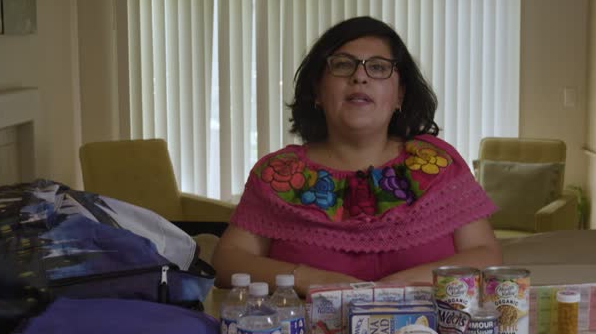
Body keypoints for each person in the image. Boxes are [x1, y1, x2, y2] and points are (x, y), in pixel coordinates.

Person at [213, 16, 501, 295]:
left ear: (400, 94)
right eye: (342, 65)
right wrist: (312, 279)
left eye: (378, 67)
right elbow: (227, 260)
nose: (359, 76)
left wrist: (398, 286)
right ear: (317, 90)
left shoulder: (437, 164)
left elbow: (486, 254)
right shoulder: (279, 173)